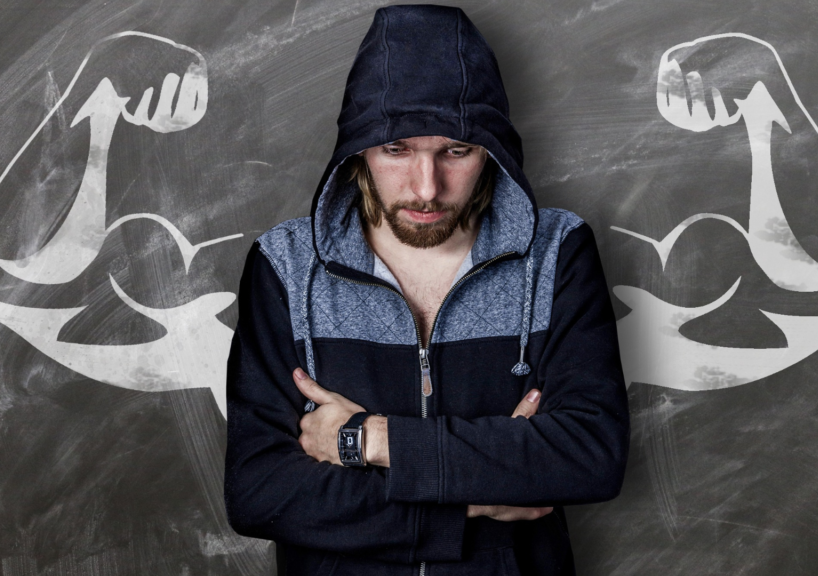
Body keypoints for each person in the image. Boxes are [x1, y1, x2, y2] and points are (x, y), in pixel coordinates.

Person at [224, 5, 629, 575]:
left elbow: (590, 456)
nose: (426, 187)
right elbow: (261, 492)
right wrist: (471, 499)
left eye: (455, 151)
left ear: (490, 150)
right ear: (358, 149)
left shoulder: (557, 252)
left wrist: (369, 441)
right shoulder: (285, 265)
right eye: (396, 149)